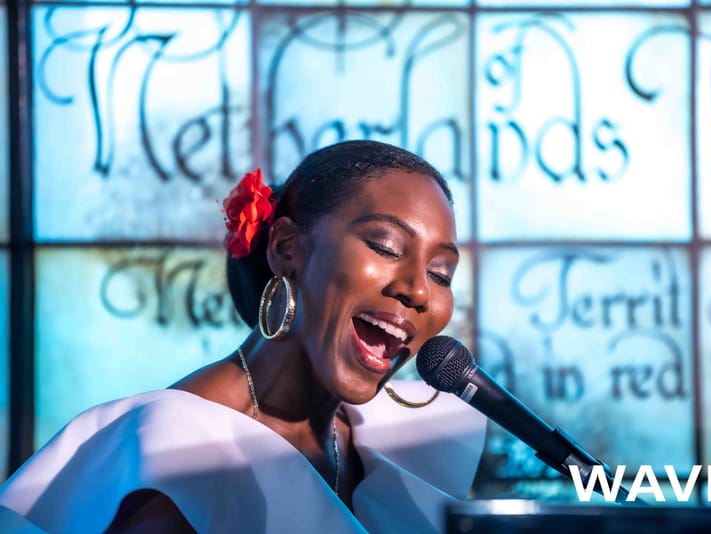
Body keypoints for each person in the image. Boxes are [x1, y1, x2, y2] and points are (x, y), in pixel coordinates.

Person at [0, 140, 486, 533]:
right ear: (287, 248)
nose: (420, 290)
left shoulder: (391, 442)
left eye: (441, 273)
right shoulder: (178, 457)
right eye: (385, 246)